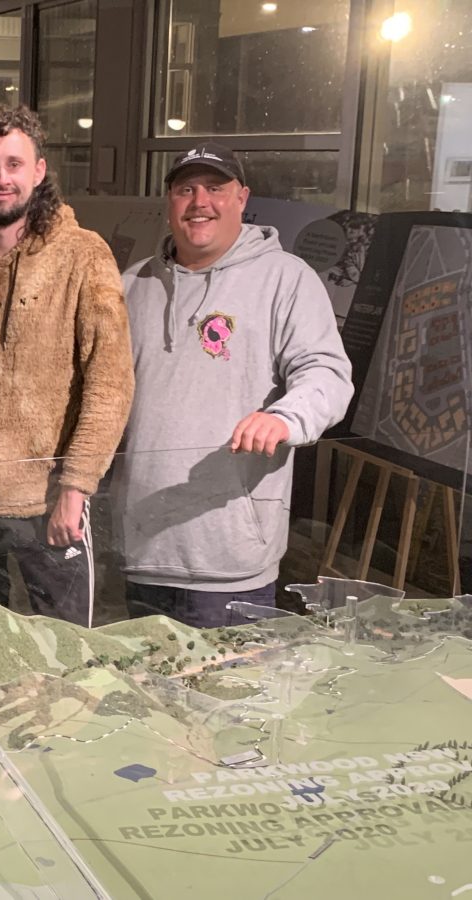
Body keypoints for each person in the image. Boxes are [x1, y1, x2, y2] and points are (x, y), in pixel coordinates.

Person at [116, 142, 354, 627]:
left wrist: (284, 417)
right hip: (142, 547)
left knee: (229, 698)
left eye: (215, 188)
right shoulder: (131, 285)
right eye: (185, 189)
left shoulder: (286, 279)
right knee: (150, 698)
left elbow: (328, 374)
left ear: (242, 198)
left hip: (228, 559)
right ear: (169, 203)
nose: (200, 201)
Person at [0, 104, 134, 626]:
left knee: (63, 662)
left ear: (39, 171)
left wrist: (76, 486)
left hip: (49, 508)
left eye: (14, 164)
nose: (1, 178)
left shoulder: (85, 256)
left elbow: (110, 382)